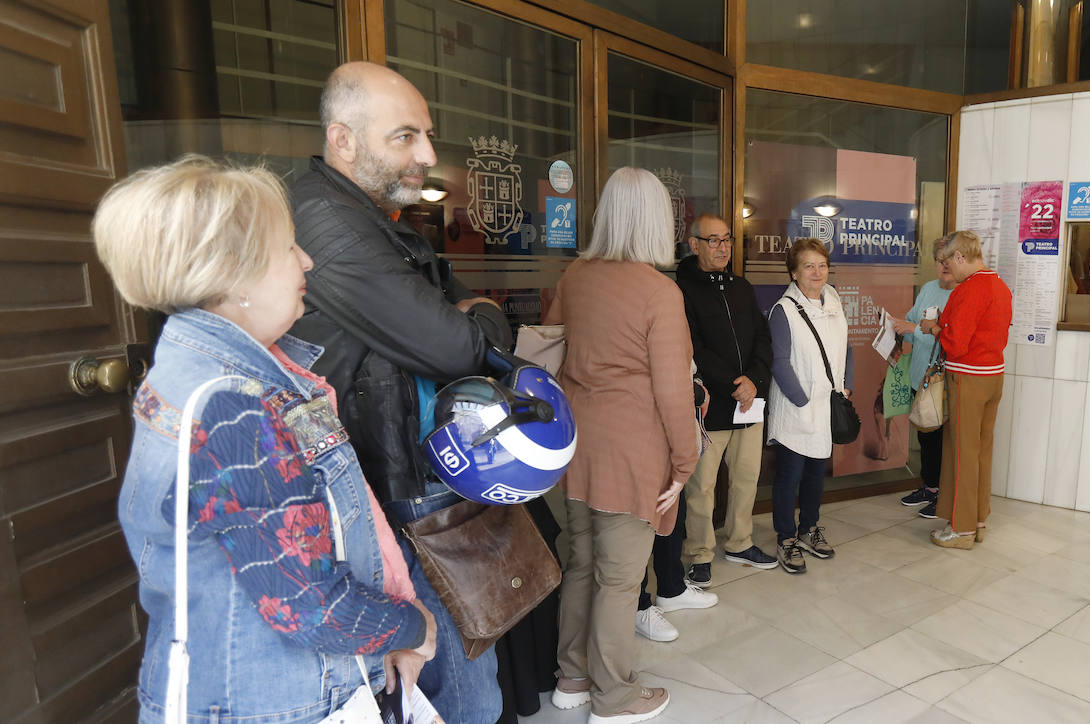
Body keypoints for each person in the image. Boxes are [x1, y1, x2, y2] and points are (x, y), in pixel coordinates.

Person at [96, 157, 438, 723]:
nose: (306, 260)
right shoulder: (234, 408)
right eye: (288, 247)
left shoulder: (196, 367)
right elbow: (311, 608)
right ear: (233, 274)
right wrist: (414, 626)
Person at [287, 61, 511, 723]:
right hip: (392, 498)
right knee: (464, 696)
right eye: (405, 137)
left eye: (427, 135)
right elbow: (459, 346)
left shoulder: (365, 216)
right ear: (343, 139)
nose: (429, 155)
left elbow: (452, 320)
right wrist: (485, 314)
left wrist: (469, 313)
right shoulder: (332, 225)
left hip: (401, 485)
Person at [545, 167, 699, 723]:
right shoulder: (660, 292)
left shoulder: (575, 277)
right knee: (618, 578)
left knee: (581, 563)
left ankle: (571, 678)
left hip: (575, 444)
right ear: (656, 220)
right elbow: (674, 392)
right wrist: (685, 461)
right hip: (631, 451)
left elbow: (548, 350)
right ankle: (614, 697)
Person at [677, 212, 778, 588]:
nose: (723, 248)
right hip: (711, 404)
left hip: (749, 403)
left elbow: (763, 338)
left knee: (747, 477)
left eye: (727, 240)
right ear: (694, 245)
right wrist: (733, 384)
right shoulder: (682, 290)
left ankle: (740, 542)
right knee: (701, 486)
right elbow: (693, 348)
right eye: (714, 240)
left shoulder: (742, 287)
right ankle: (700, 553)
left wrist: (754, 380)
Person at [767, 238, 853, 575]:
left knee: (817, 474)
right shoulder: (784, 310)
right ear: (793, 272)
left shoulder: (833, 299)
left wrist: (847, 385)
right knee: (789, 476)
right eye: (808, 266)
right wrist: (803, 400)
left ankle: (809, 529)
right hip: (796, 408)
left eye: (822, 265)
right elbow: (779, 363)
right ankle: (786, 537)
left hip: (826, 406)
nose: (817, 272)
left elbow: (846, 347)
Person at [925, 231, 1012, 549]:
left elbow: (956, 343)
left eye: (947, 261)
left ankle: (961, 530)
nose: (946, 268)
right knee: (982, 451)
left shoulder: (969, 289)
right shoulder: (999, 285)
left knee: (961, 454)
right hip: (993, 376)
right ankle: (977, 520)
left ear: (960, 256)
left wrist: (935, 328)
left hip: (967, 377)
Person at [636, 377, 718, 644]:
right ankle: (637, 606)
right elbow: (654, 372)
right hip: (639, 423)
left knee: (672, 512)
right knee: (638, 522)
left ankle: (671, 589)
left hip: (668, 426)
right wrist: (696, 391)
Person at [894, 233, 960, 518]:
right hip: (920, 377)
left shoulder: (962, 295)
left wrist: (914, 331)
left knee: (943, 440)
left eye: (949, 259)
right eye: (939, 260)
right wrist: (896, 327)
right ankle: (930, 487)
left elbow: (950, 339)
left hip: (943, 381)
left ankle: (944, 494)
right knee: (925, 437)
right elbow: (912, 320)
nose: (944, 265)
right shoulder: (929, 288)